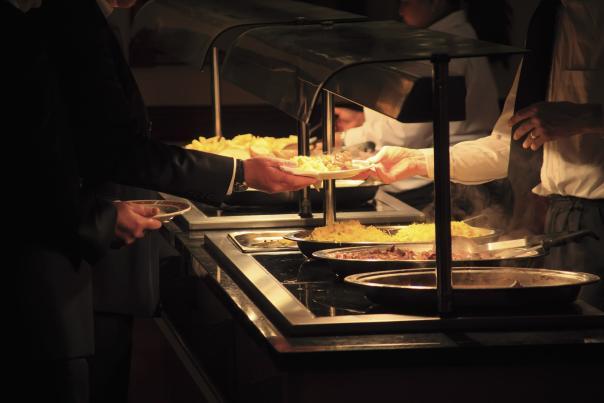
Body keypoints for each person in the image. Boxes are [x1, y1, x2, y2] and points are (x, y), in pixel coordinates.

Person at [5, 1, 316, 402]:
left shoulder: (72, 19)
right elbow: (107, 150)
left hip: (82, 272)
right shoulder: (68, 20)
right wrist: (239, 173)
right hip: (66, 273)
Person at [363, 0, 604, 308]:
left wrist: (588, 117)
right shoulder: (551, 18)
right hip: (562, 219)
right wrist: (416, 160)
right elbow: (507, 145)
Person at [335, 0, 504, 214]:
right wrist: (360, 120)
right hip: (442, 173)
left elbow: (406, 134)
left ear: (436, 3)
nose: (400, 10)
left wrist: (345, 138)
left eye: (406, 1)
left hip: (452, 181)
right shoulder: (440, 37)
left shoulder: (443, 45)